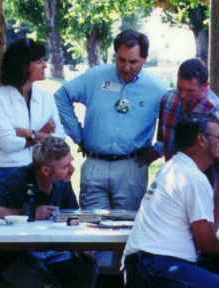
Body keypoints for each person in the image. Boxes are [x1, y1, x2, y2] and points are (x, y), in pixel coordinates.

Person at [123, 114, 219, 288]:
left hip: (150, 263)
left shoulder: (176, 168)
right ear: (201, 140)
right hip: (154, 264)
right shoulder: (191, 176)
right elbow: (207, 243)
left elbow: (210, 229)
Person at [54, 30, 166, 211]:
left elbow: (175, 120)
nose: (126, 67)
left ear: (144, 59)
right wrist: (78, 135)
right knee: (92, 230)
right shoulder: (95, 77)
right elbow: (62, 96)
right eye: (121, 60)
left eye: (133, 62)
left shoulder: (158, 89)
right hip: (95, 164)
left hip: (131, 168)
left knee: (126, 230)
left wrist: (159, 149)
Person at [0, 136, 97, 288]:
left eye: (71, 162)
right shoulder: (17, 179)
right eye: (65, 166)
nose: (72, 169)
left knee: (86, 267)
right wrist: (28, 214)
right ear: (46, 171)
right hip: (20, 254)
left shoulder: (62, 183)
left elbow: (72, 214)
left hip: (55, 250)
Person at [0, 38, 65, 195]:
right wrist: (40, 134)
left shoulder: (46, 98)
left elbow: (59, 140)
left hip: (38, 176)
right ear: (23, 65)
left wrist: (26, 133)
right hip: (4, 175)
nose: (45, 65)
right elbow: (6, 143)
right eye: (39, 61)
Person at [157, 58, 219, 161]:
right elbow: (162, 140)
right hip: (172, 172)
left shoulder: (217, 111)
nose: (183, 95)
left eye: (190, 91)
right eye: (179, 88)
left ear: (205, 87)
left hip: (204, 176)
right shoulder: (168, 100)